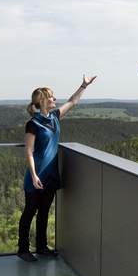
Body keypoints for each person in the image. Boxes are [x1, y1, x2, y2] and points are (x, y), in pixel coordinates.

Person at [17, 74, 97, 262]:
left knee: (44, 211)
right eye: (51, 96)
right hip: (36, 176)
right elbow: (29, 151)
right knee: (30, 212)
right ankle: (22, 249)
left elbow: (72, 101)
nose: (55, 99)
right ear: (42, 100)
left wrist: (83, 86)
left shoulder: (54, 117)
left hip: (51, 175)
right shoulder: (33, 124)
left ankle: (42, 247)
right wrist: (34, 175)